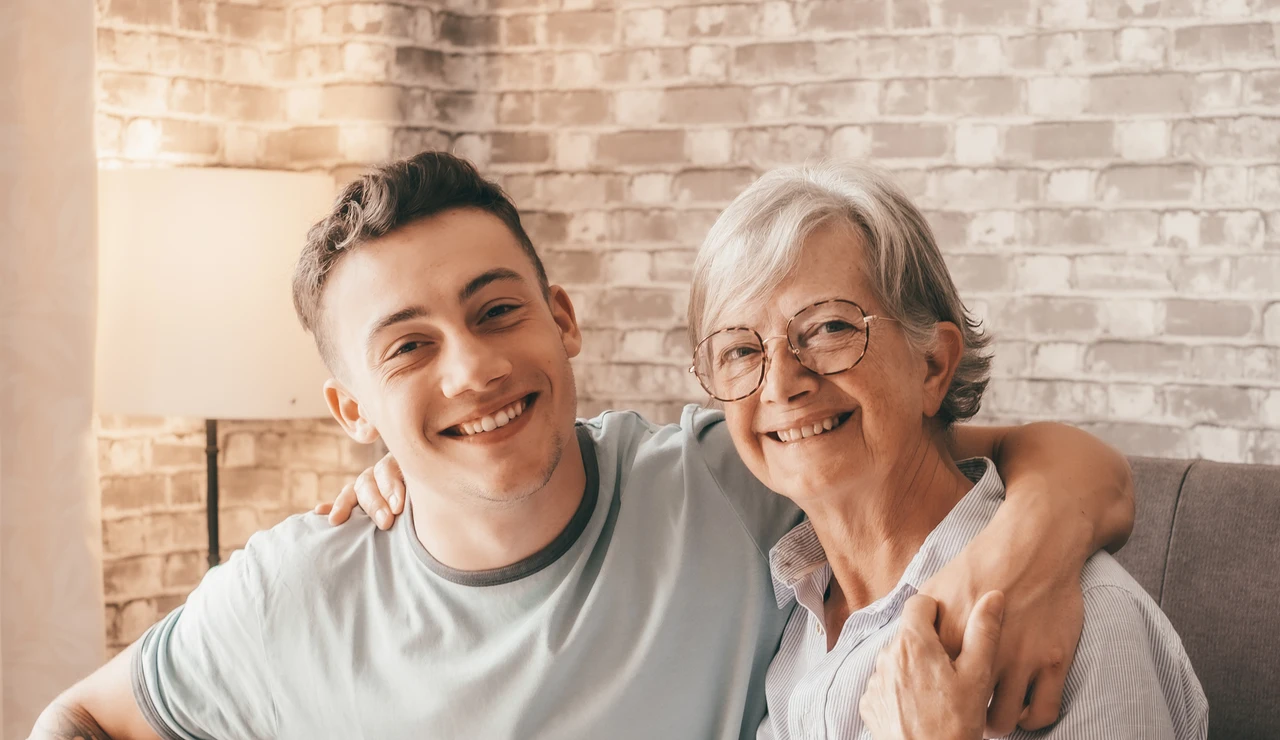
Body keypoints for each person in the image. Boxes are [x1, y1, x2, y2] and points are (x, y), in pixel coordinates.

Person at [31, 152, 1134, 740]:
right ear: (349, 406)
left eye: (496, 310)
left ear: (562, 320)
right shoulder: (295, 589)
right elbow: (80, 715)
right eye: (407, 347)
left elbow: (959, 456)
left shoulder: (725, 477)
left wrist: (1023, 548)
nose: (471, 369)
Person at [673, 162, 1204, 738]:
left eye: (829, 328)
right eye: (739, 351)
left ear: (932, 365)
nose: (780, 384)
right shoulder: (792, 619)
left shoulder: (1074, 623)